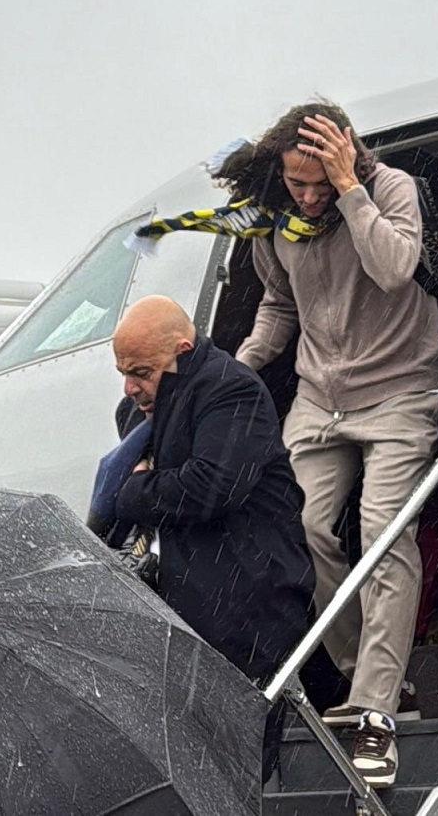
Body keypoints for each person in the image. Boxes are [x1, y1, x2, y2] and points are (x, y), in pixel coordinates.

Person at [225, 101, 438, 789]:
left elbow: (395, 268)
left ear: (349, 157)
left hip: (401, 389)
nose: (311, 196)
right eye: (299, 183)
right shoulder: (276, 220)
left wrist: (351, 190)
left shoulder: (389, 189)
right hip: (321, 396)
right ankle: (372, 679)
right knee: (296, 530)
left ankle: (375, 711)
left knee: (384, 532)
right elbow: (279, 305)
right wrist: (238, 368)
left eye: (322, 181)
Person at [106, 295, 315, 779]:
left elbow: (210, 488)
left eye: (141, 372)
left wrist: (133, 490)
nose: (130, 387)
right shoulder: (139, 412)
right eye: (123, 372)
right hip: (195, 605)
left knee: (230, 761)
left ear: (182, 351)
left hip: (247, 603)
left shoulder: (230, 389)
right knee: (196, 760)